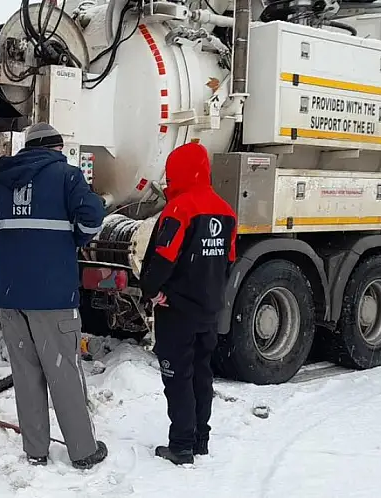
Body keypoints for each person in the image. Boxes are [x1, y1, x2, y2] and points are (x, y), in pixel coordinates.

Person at [0, 122, 108, 470]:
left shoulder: (0, 177)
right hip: (53, 294)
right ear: (56, 149)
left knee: (26, 375)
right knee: (63, 372)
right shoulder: (66, 176)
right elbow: (93, 218)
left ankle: (36, 450)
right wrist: (71, 240)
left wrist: (7, 240)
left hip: (11, 293)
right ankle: (83, 451)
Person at [138, 142, 237, 465]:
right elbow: (228, 261)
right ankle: (200, 440)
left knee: (177, 375)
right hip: (208, 309)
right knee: (201, 374)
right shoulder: (226, 210)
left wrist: (151, 290)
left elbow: (163, 258)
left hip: (177, 310)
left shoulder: (180, 208)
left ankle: (180, 445)